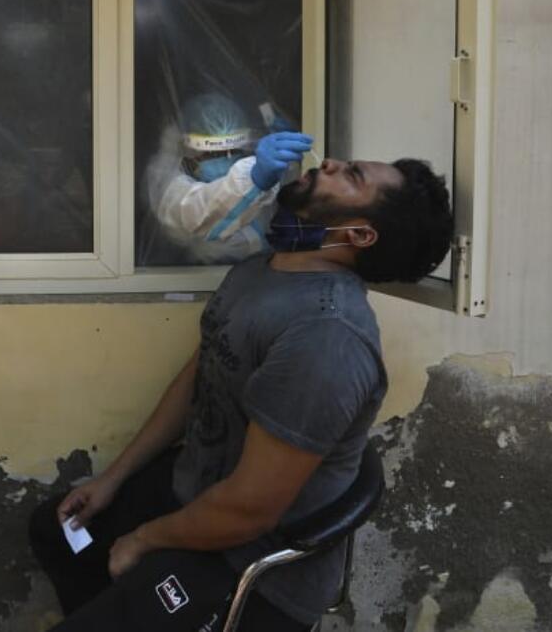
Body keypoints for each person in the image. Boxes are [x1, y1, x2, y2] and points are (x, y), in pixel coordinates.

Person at [30, 155, 454, 631]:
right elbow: (203, 372)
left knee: (122, 570)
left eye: (351, 177)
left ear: (358, 235)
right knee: (58, 533)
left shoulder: (326, 337)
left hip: (252, 565)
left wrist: (143, 541)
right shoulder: (265, 270)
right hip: (196, 497)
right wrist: (112, 480)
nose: (331, 163)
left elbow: (248, 511)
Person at [145, 93, 314, 264]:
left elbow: (281, 190)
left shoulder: (253, 166)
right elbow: (202, 209)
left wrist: (289, 162)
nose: (226, 160)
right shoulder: (165, 185)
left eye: (233, 151)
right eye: (213, 154)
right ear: (186, 150)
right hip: (201, 277)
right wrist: (255, 179)